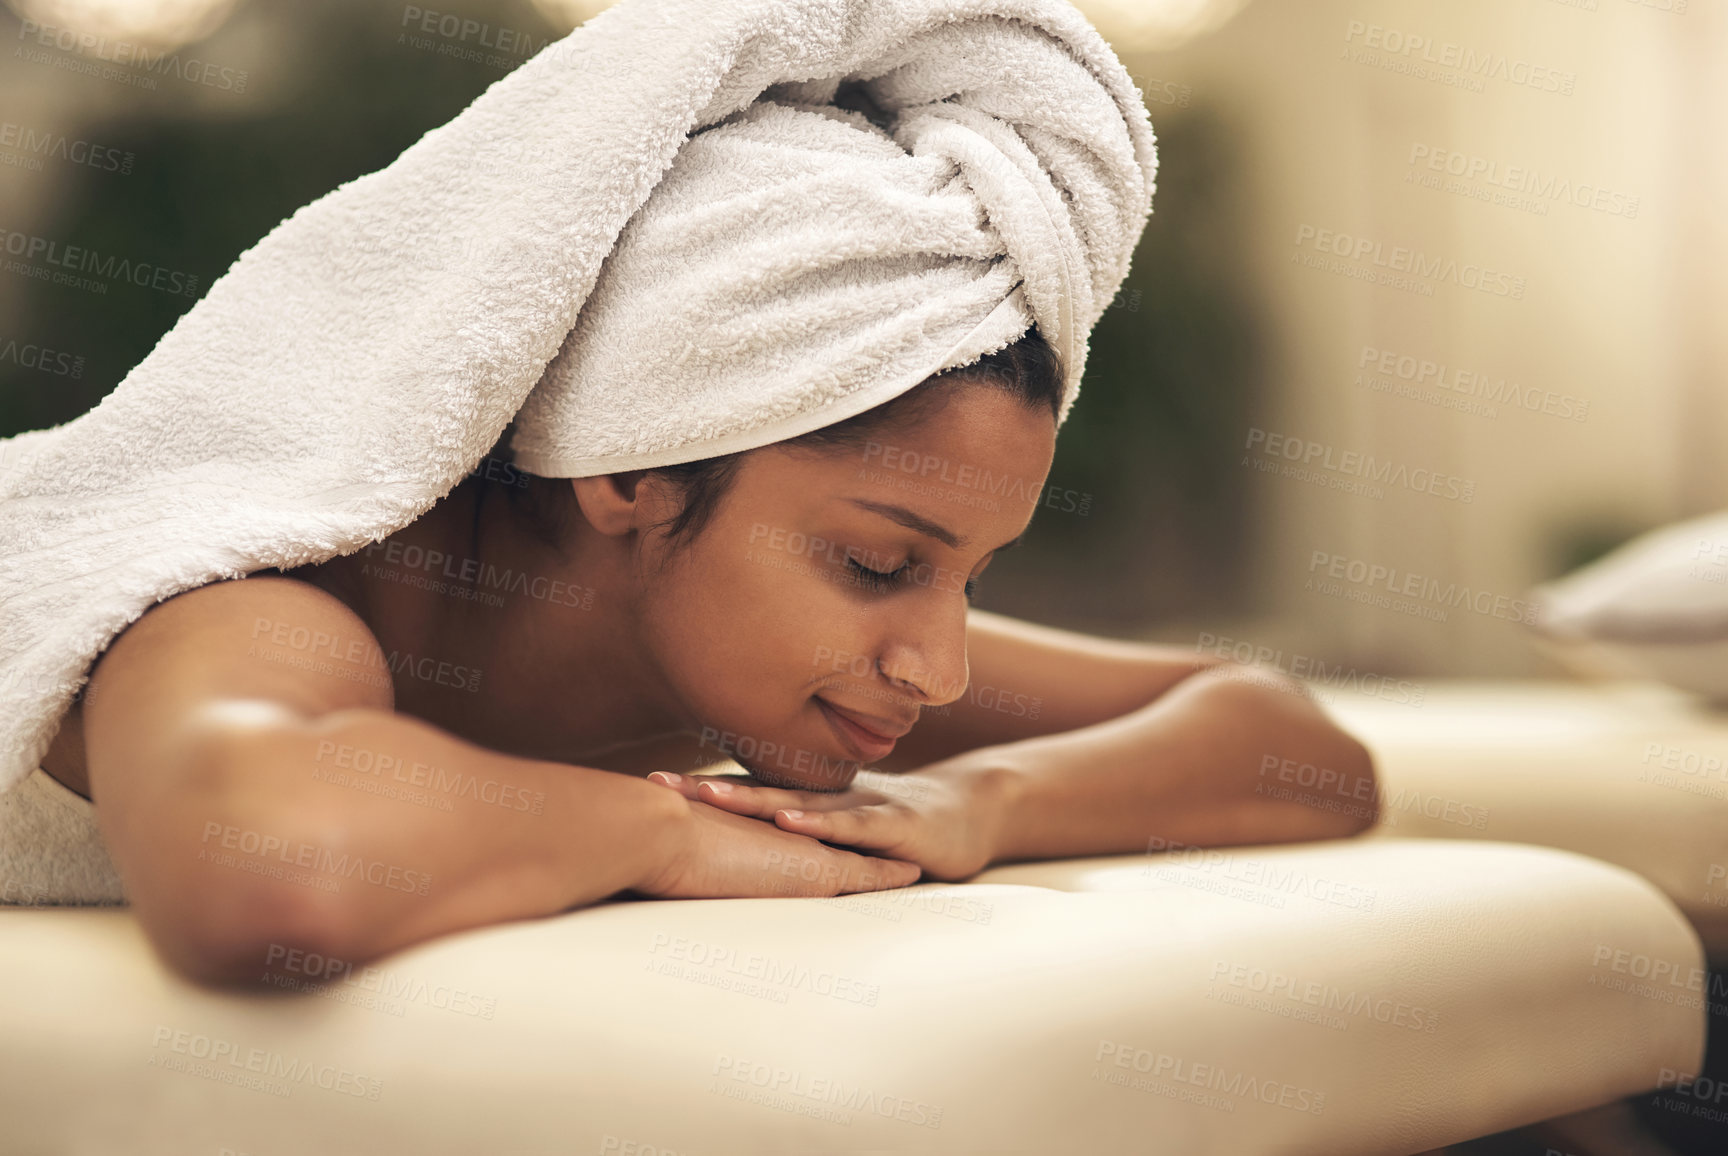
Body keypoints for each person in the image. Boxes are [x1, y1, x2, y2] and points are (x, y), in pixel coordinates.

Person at [3, 0, 1374, 988]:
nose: (943, 670)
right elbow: (263, 869)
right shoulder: (273, 601)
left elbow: (1294, 743)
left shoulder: (715, 645)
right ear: (633, 472)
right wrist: (662, 829)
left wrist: (983, 807)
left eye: (971, 574)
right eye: (883, 566)